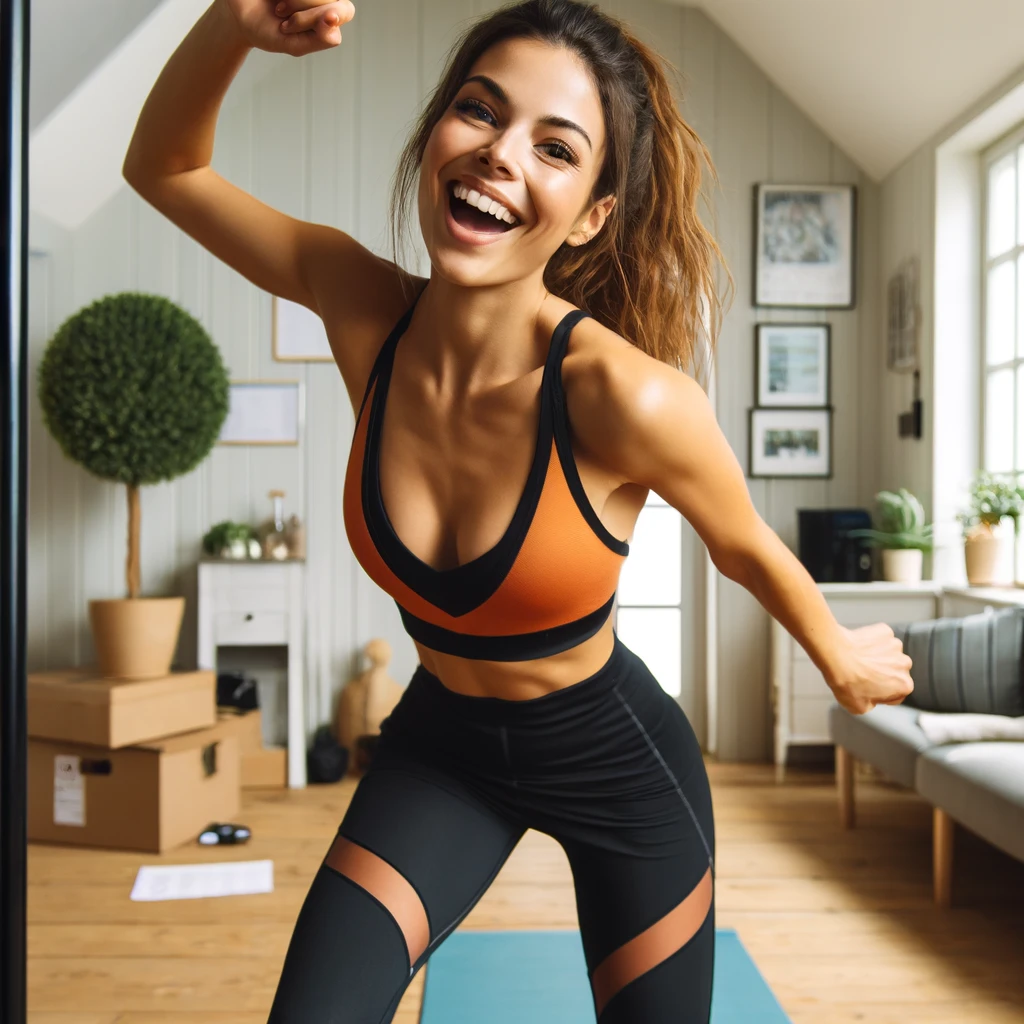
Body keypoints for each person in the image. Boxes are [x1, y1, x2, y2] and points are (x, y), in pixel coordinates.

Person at [123, 1, 914, 1020]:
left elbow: (742, 541)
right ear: (435, 136)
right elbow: (166, 171)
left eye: (553, 147)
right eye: (476, 112)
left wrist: (836, 652)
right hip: (441, 747)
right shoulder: (362, 308)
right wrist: (232, 24)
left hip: (618, 765)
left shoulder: (623, 393)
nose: (499, 155)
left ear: (589, 213)